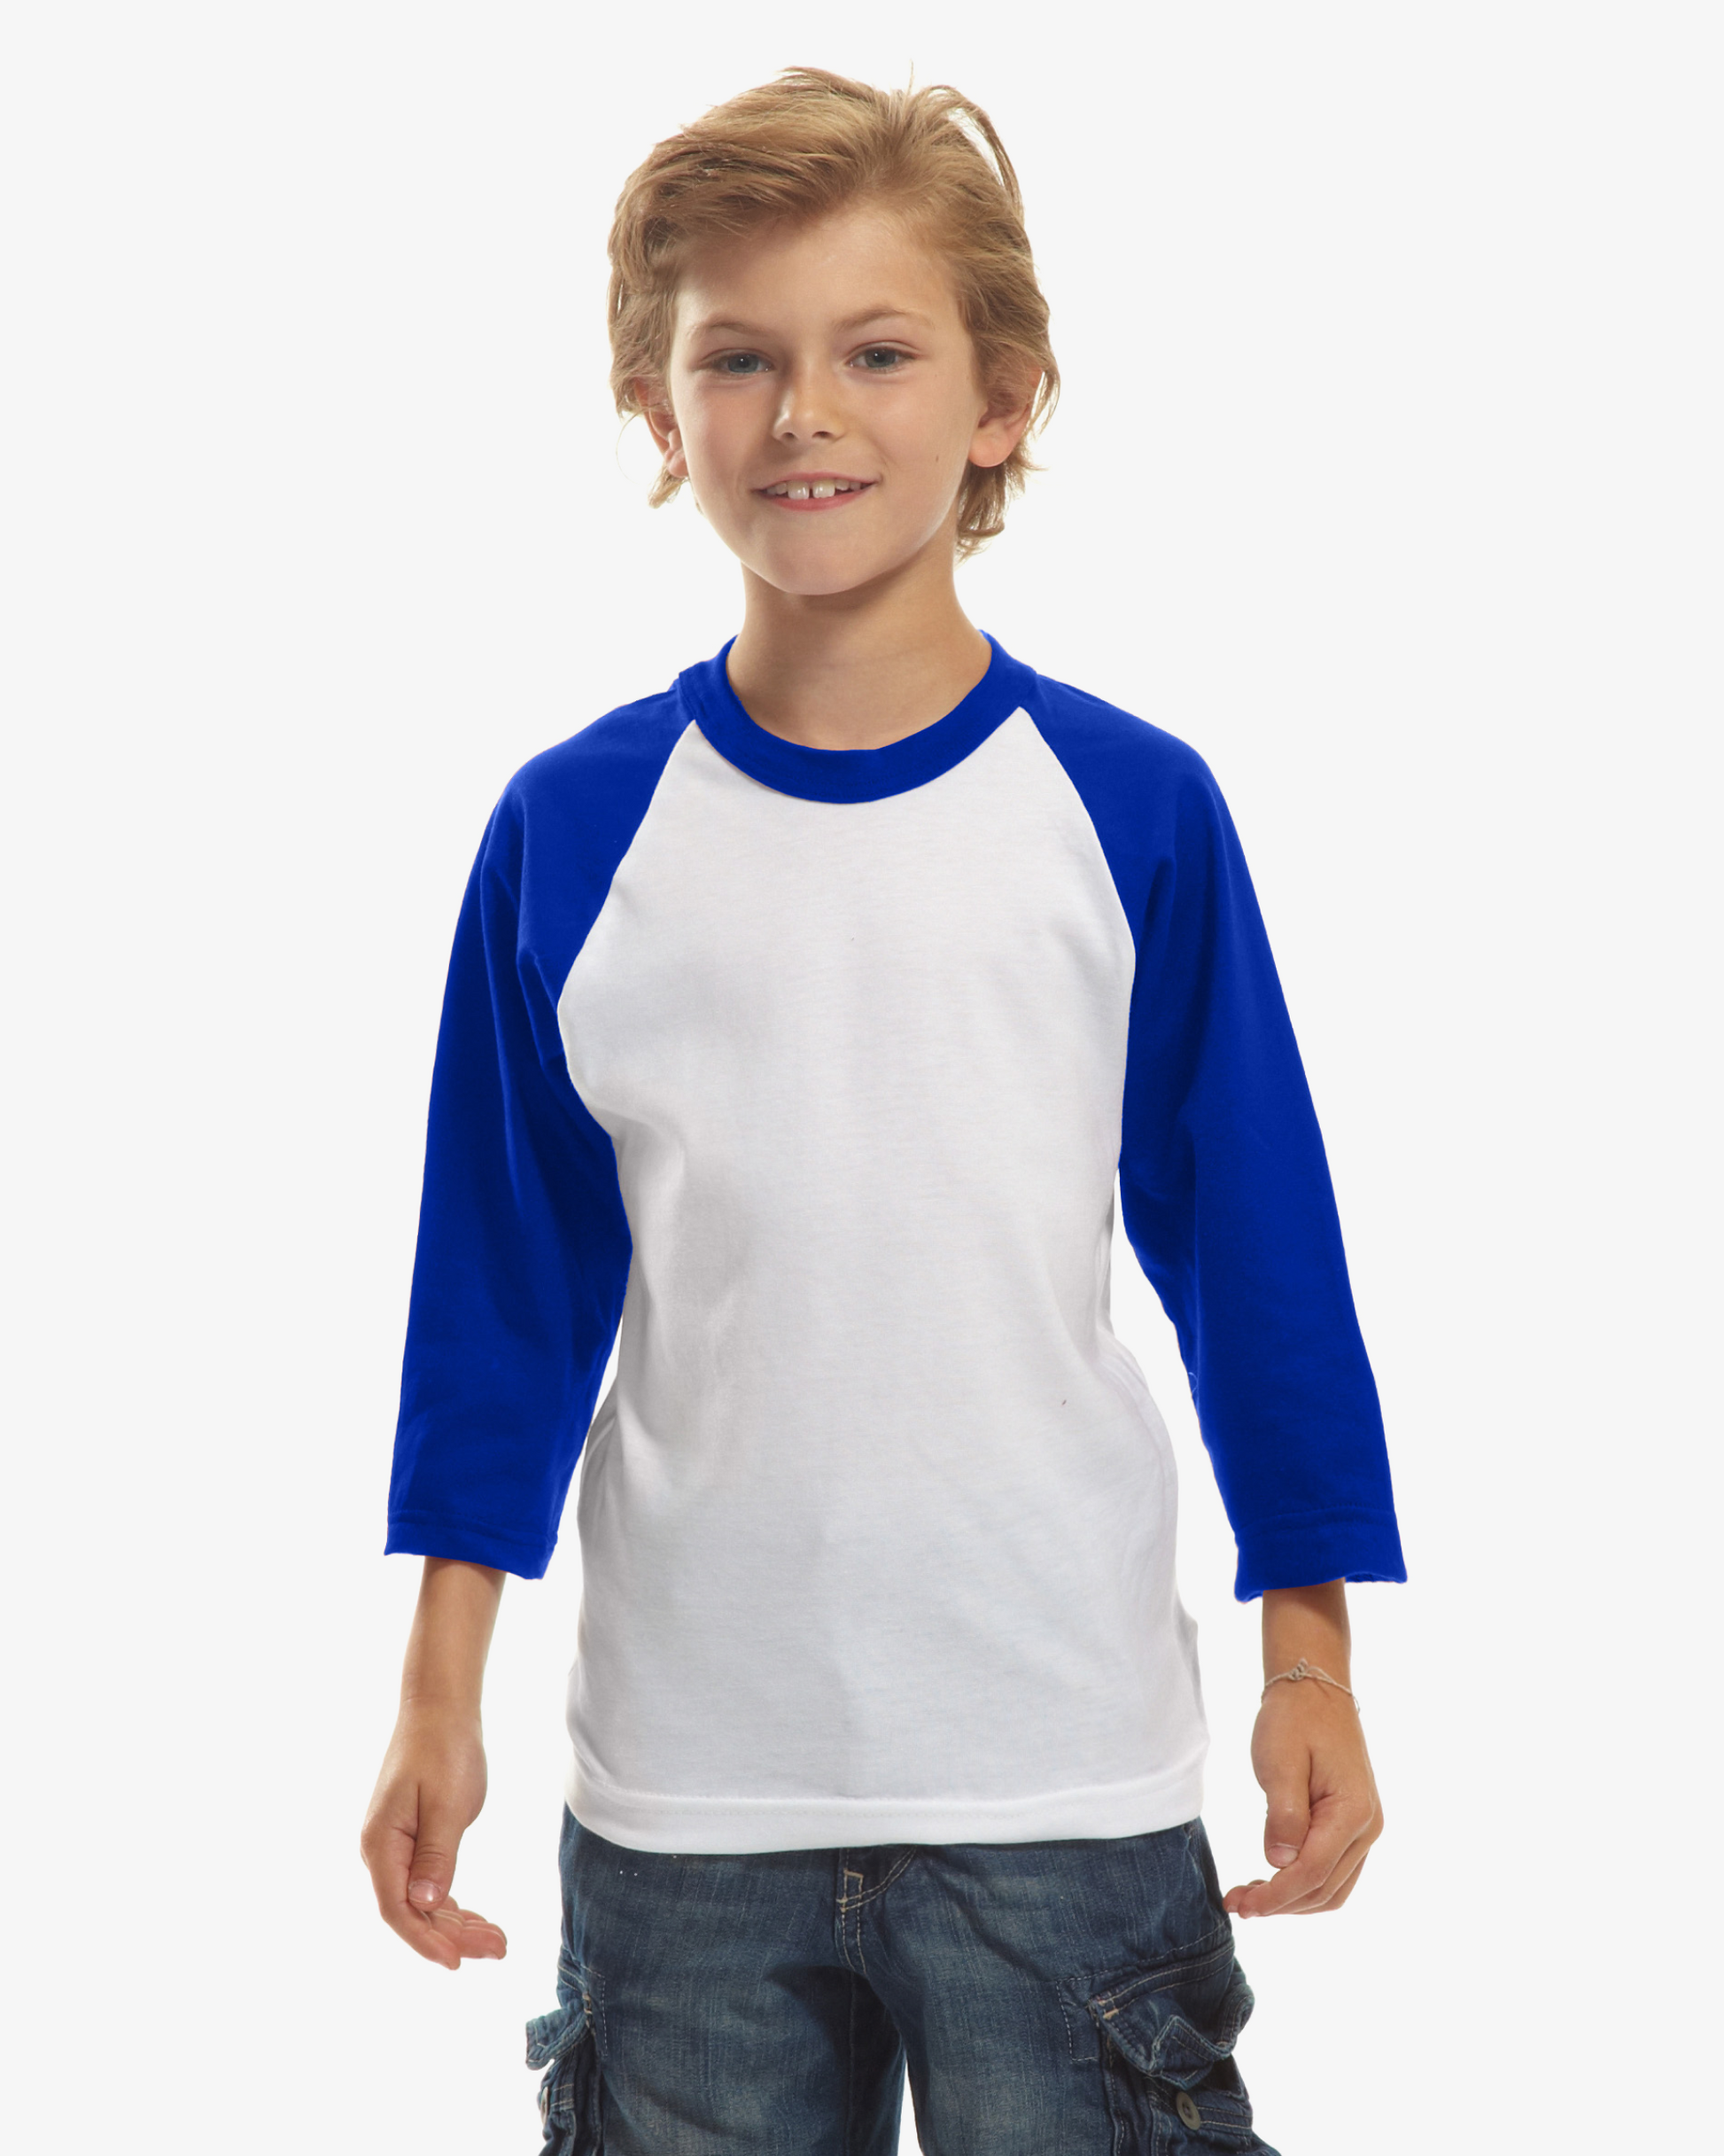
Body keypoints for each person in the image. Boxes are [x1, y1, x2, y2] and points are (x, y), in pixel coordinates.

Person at [361, 67, 1405, 2156]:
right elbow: (504, 1293)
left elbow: (1256, 1255)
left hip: (1060, 1776)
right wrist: (434, 1690)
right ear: (658, 413)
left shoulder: (1131, 809)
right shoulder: (572, 829)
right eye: (737, 358)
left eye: (877, 353)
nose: (803, 414)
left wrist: (1311, 1657)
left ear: (1002, 400)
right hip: (685, 1800)